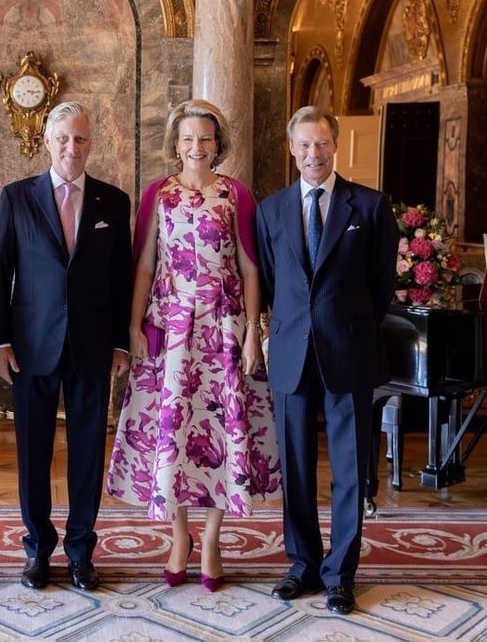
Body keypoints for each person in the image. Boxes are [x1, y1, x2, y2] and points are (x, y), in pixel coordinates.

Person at [105, 100, 281, 592]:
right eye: (188, 139)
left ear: (217, 143)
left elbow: (250, 268)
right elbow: (143, 265)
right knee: (174, 434)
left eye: (205, 138)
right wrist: (134, 326)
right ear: (175, 143)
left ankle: (212, 540)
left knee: (224, 434)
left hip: (222, 330)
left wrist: (251, 332)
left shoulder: (236, 195)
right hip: (170, 328)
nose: (196, 147)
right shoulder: (157, 194)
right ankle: (179, 535)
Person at [255, 106, 398, 615]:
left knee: (349, 470)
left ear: (335, 146)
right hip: (293, 352)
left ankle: (341, 575)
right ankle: (303, 565)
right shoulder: (270, 210)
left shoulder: (371, 206)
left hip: (350, 349)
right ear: (291, 149)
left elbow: (382, 285)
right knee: (294, 465)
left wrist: (350, 323)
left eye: (321, 144)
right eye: (303, 145)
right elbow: (271, 282)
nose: (313, 154)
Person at [0, 100, 132, 592]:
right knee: (33, 453)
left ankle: (80, 553)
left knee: (88, 453)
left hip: (92, 348)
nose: (73, 147)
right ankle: (37, 551)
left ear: (92, 143)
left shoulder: (114, 202)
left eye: (81, 139)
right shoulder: (16, 197)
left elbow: (121, 278)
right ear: (47, 142)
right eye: (64, 138)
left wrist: (120, 344)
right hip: (31, 347)